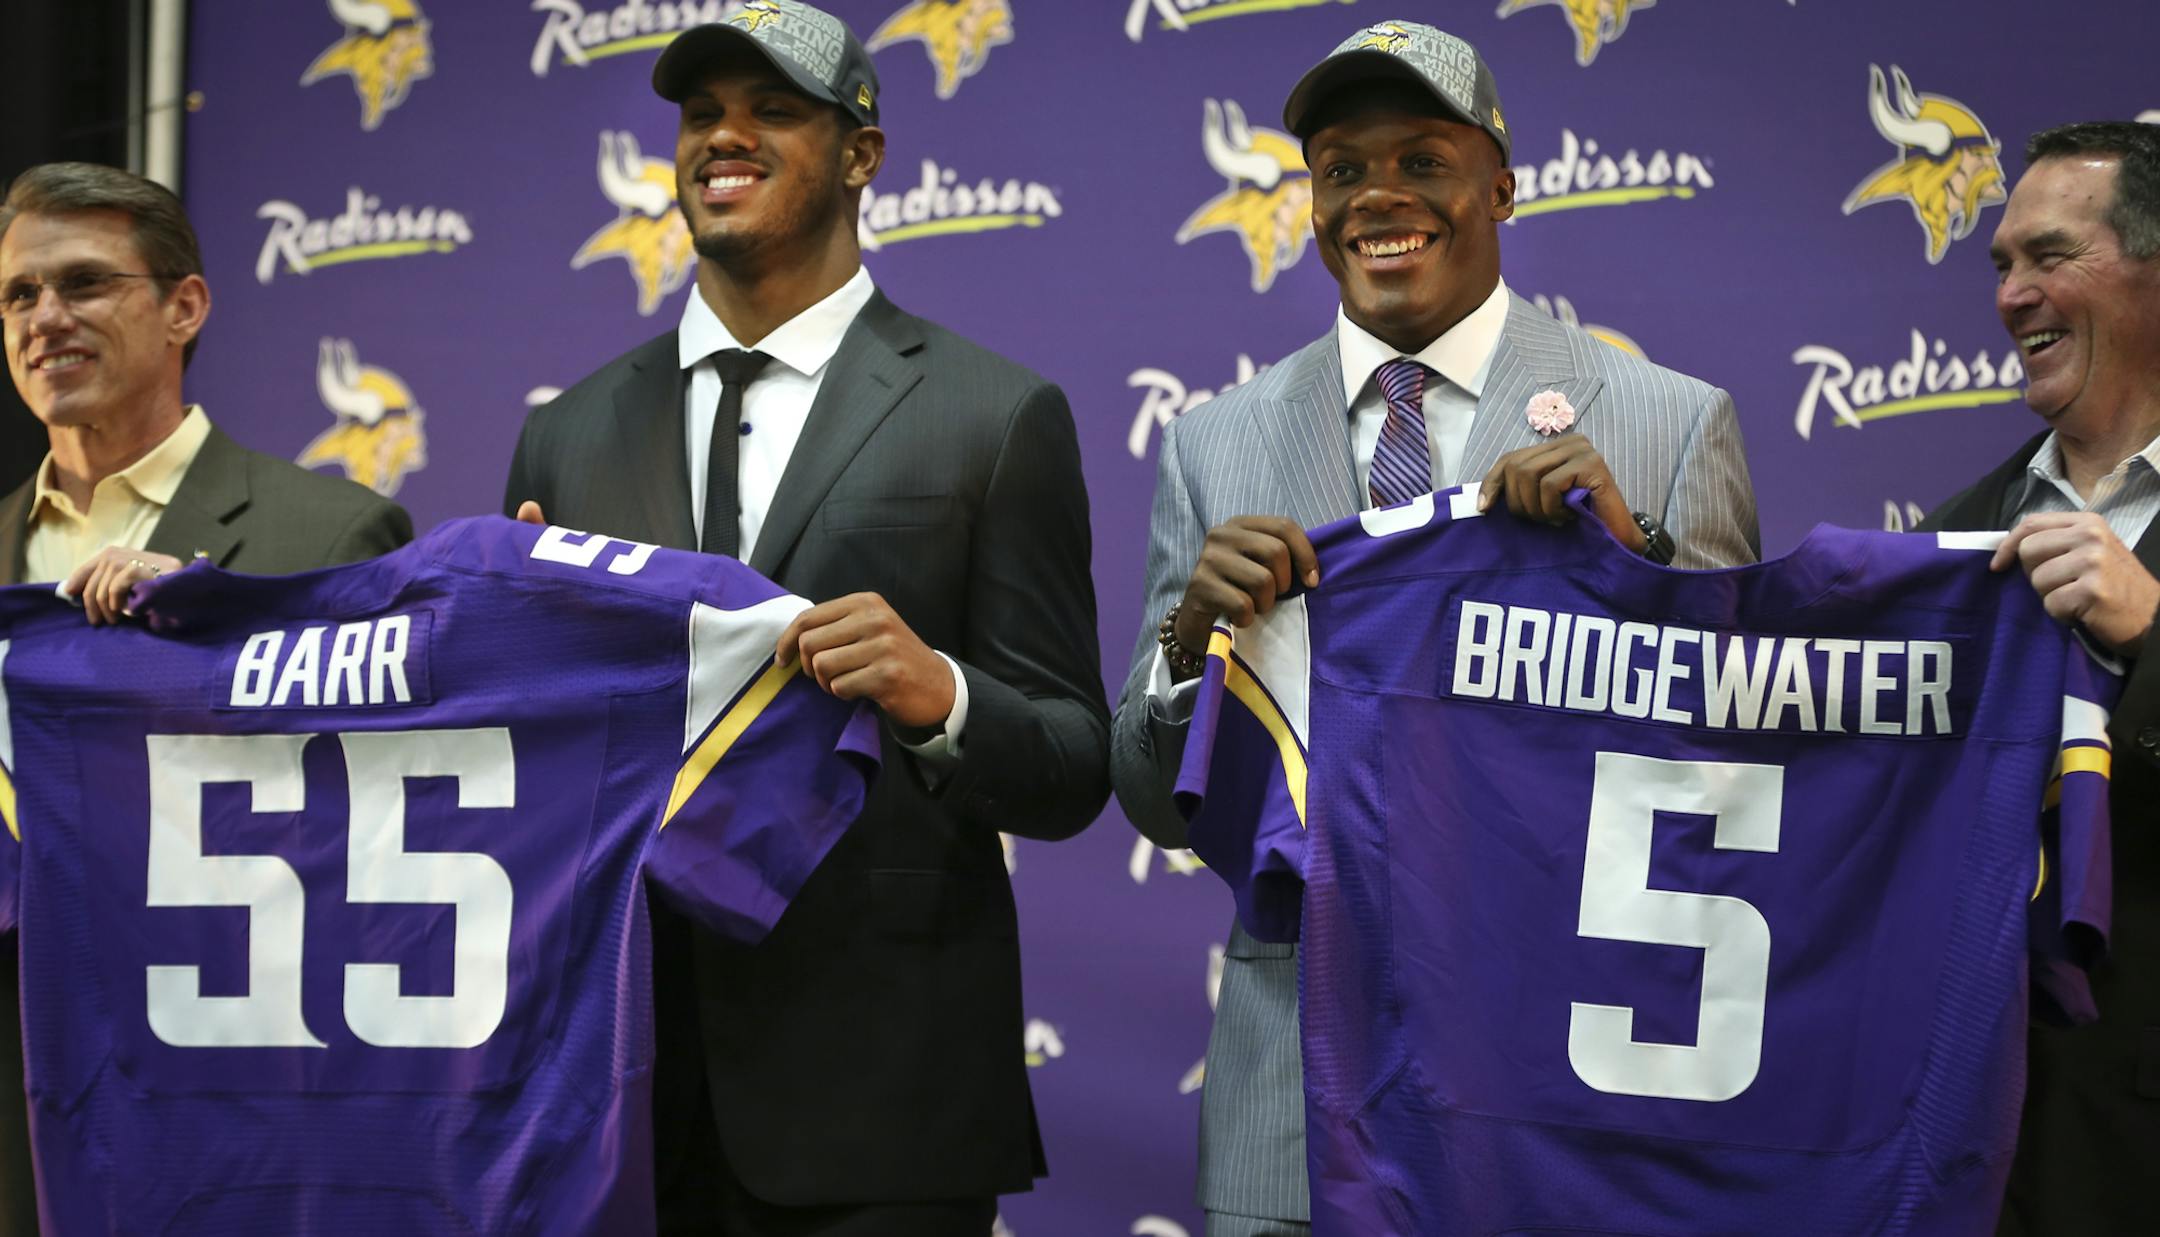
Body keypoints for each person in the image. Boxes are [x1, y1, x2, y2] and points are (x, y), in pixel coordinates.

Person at [1109, 23, 1759, 1236]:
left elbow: (1739, 779)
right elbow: (1156, 803)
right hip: (1298, 1114)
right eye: (1344, 170)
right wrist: (1190, 639)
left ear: (1501, 187)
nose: (1380, 199)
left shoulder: (1667, 425)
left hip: (1571, 1101)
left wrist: (1638, 573)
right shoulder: (1218, 442)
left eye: (1422, 160)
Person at [500, 4, 1109, 1233]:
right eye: (701, 115)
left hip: (884, 1105)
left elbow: (1074, 765)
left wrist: (940, 693)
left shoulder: (993, 414)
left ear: (862, 156)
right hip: (616, 1089)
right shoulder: (565, 433)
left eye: (774, 110)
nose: (726, 137)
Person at [0, 160, 411, 1235]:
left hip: (231, 1103)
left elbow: (373, 854)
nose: (48, 318)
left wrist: (211, 624)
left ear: (184, 305)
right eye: (20, 295)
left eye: (85, 283)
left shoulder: (327, 537)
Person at [1916, 120, 2160, 1236]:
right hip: (1983, 1159)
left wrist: (2153, 628)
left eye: (2050, 256)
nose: (2013, 296)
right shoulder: (1949, 540)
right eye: (2003, 265)